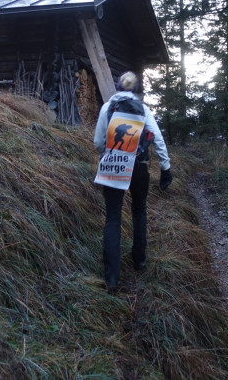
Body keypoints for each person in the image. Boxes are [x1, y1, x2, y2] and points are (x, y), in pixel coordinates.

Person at [93, 71, 173, 292]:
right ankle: (139, 260)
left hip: (113, 165)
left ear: (118, 87)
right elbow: (157, 138)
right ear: (137, 90)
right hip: (139, 166)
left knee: (113, 218)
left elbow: (98, 142)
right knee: (139, 210)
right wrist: (165, 168)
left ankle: (111, 278)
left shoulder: (107, 107)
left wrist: (109, 153)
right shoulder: (144, 109)